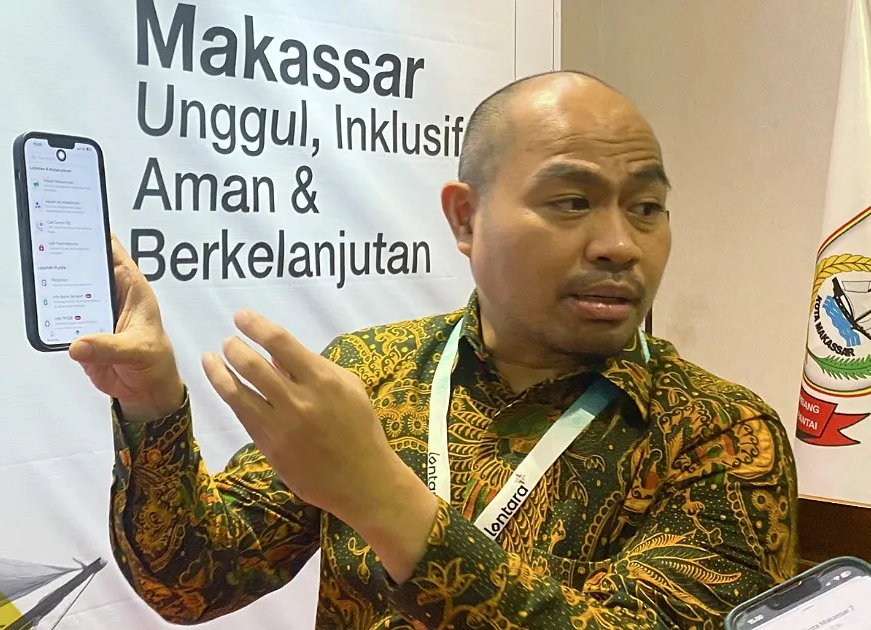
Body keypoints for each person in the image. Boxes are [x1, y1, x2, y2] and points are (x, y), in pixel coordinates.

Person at [69, 71, 799, 628]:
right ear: (465, 218)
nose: (619, 244)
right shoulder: (369, 372)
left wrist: (382, 499)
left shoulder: (720, 434)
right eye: (572, 202)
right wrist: (149, 406)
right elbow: (191, 581)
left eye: (646, 208)